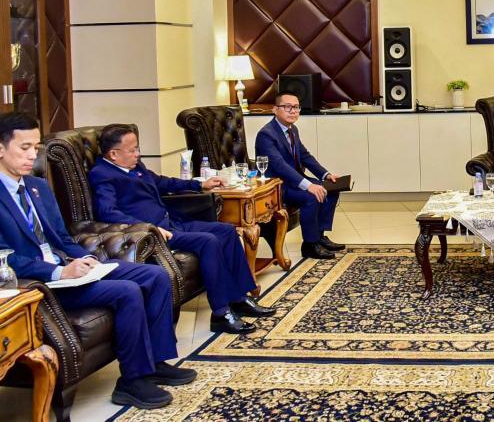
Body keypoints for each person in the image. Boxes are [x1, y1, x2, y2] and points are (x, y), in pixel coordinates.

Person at [0, 112, 195, 410]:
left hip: (68, 269)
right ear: (1, 149)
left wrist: (87, 259)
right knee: (127, 291)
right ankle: (131, 382)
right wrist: (58, 271)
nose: (32, 156)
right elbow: (6, 257)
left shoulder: (37, 187)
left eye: (36, 148)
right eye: (24, 148)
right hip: (40, 284)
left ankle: (155, 362)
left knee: (154, 276)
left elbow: (62, 238)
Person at [90, 124, 273, 335]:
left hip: (172, 221)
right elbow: (107, 212)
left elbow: (162, 182)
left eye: (137, 148)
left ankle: (239, 298)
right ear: (113, 154)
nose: (137, 154)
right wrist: (148, 228)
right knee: (208, 241)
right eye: (132, 150)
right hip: (153, 234)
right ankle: (221, 313)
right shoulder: (102, 174)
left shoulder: (136, 166)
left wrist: (199, 185)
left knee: (226, 231)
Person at [255, 92, 344, 260]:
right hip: (278, 185)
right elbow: (279, 166)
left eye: (296, 107)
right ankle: (310, 245)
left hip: (294, 180)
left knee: (332, 188)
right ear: (275, 109)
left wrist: (325, 175)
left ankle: (319, 236)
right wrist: (308, 185)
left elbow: (305, 156)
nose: (293, 111)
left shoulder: (292, 129)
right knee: (311, 196)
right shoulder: (266, 134)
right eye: (287, 107)